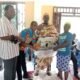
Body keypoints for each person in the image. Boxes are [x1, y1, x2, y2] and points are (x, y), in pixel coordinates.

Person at [0, 5, 23, 80]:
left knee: (13, 72)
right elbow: (2, 36)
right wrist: (16, 37)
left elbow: (13, 35)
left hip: (14, 51)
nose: (14, 13)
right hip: (8, 53)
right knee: (9, 73)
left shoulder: (11, 22)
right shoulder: (2, 21)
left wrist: (19, 38)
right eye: (12, 11)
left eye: (14, 11)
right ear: (5, 11)